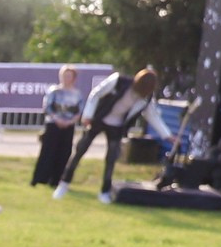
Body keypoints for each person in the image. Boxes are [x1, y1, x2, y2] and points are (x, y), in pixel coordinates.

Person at [60, 66, 165, 201]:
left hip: (117, 127)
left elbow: (152, 116)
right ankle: (64, 183)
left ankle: (104, 192)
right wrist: (88, 115)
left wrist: (166, 135)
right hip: (99, 119)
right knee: (80, 151)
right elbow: (96, 94)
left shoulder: (146, 97)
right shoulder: (118, 81)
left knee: (111, 160)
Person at [33, 66, 82, 189]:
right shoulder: (54, 91)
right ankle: (40, 178)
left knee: (64, 152)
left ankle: (57, 180)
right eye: (64, 76)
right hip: (53, 124)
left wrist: (70, 121)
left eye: (69, 76)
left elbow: (79, 111)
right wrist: (57, 119)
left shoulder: (77, 94)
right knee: (48, 151)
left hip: (68, 126)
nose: (66, 78)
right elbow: (47, 107)